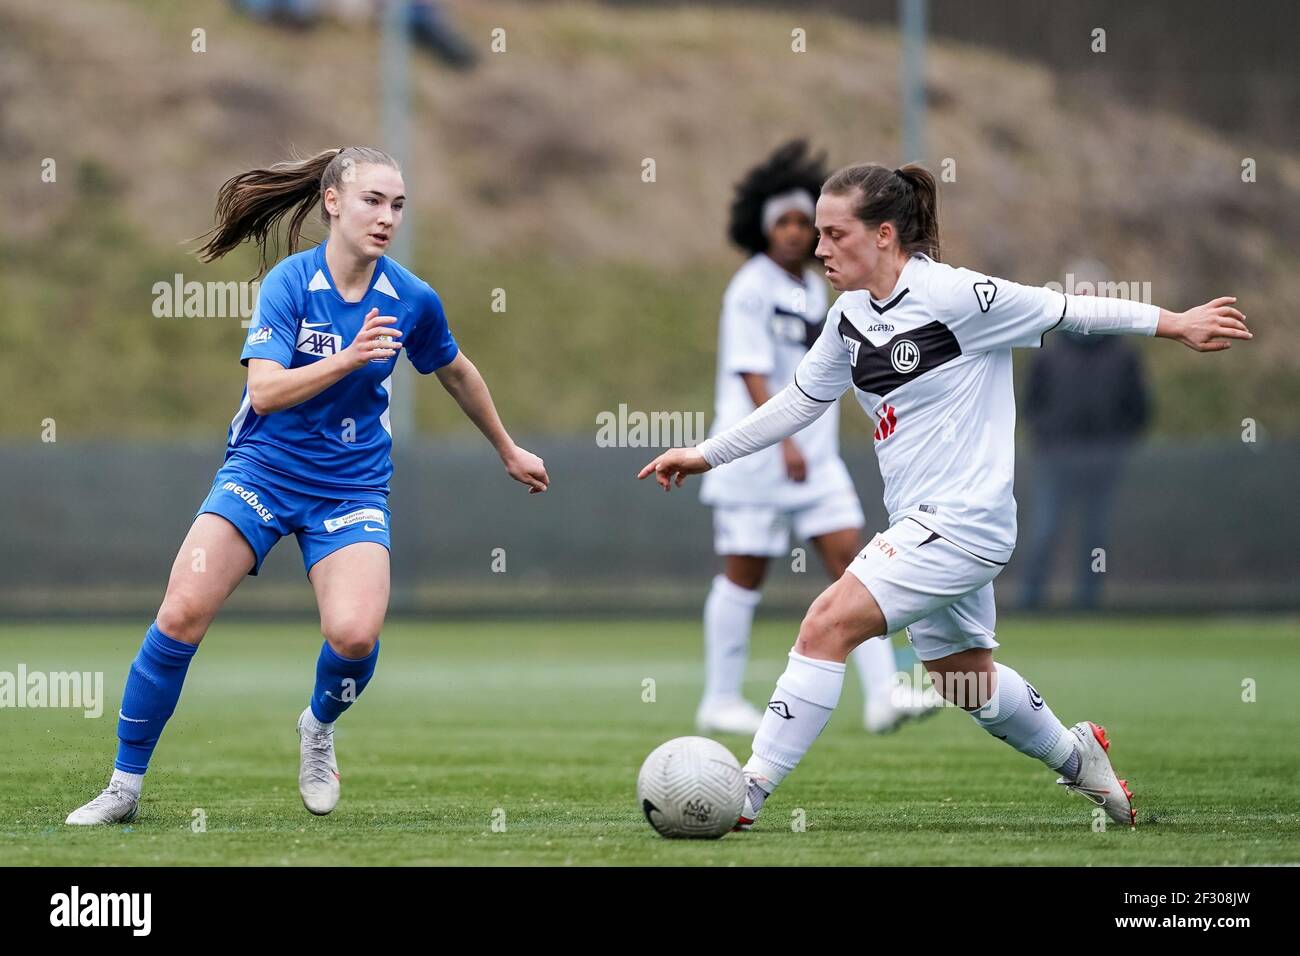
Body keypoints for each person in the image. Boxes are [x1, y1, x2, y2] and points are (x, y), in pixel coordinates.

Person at [640, 162, 1250, 830]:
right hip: (923, 523)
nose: (819, 248)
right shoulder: (848, 320)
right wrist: (704, 453)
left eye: (834, 233)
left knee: (824, 625)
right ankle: (1081, 759)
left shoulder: (959, 297)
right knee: (965, 678)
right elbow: (795, 403)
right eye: (817, 232)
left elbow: (1072, 309)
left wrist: (1177, 323)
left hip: (965, 521)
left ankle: (749, 791)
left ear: (882, 234)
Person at [66, 146, 548, 825]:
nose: (387, 217)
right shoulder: (291, 283)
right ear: (333, 202)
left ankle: (318, 727)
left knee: (354, 635)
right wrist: (350, 358)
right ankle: (124, 785)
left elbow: (457, 370)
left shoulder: (410, 298)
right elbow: (263, 392)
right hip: (262, 472)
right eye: (373, 201)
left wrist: (507, 448)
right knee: (180, 612)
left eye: (398, 204)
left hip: (350, 488)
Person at [697, 141, 937, 736]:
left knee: (854, 563)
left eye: (805, 222)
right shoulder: (750, 286)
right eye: (783, 221)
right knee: (744, 572)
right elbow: (752, 370)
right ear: (762, 227)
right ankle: (719, 697)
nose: (795, 232)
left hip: (815, 459)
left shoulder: (817, 289)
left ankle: (884, 694)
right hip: (762, 458)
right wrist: (784, 444)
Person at [1020, 260, 1151, 610]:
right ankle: (1030, 602)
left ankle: (1088, 603)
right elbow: (1031, 405)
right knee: (1045, 529)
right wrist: (1046, 439)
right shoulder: (1047, 350)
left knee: (1095, 535)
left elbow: (1138, 409)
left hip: (1104, 462)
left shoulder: (1124, 353)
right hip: (1055, 459)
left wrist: (1117, 445)